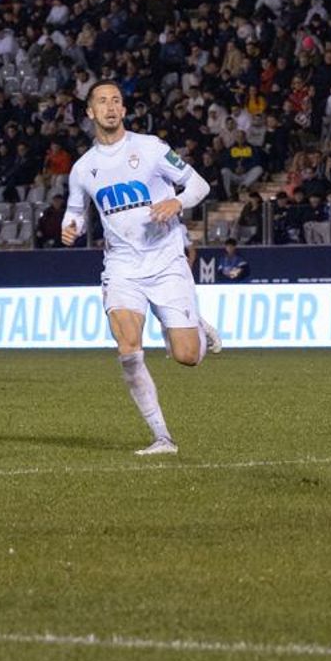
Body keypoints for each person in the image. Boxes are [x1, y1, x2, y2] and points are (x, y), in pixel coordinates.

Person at [61, 83, 222, 455]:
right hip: (121, 266)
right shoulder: (84, 169)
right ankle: (162, 437)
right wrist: (71, 228)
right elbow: (75, 212)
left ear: (124, 109)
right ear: (90, 113)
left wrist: (176, 203)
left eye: (116, 100)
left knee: (187, 356)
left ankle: (193, 326)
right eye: (102, 101)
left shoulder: (149, 147)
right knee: (128, 347)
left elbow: (199, 184)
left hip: (166, 261)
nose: (110, 107)